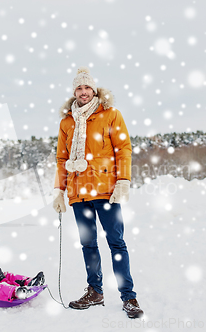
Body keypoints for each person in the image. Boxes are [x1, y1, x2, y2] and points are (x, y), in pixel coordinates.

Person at [52, 67, 144, 319]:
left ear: (94, 90)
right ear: (74, 92)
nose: (83, 92)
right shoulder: (66, 122)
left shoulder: (111, 115)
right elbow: (61, 159)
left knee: (116, 242)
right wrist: (59, 190)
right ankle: (95, 291)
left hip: (106, 191)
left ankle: (129, 296)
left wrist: (123, 180)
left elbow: (123, 149)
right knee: (87, 244)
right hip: (78, 194)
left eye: (87, 88)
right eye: (79, 88)